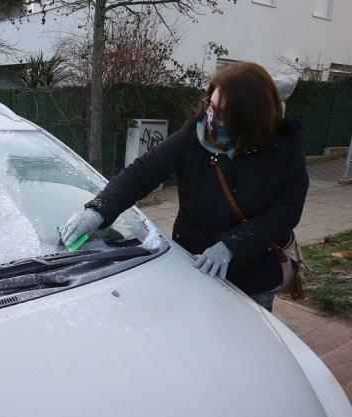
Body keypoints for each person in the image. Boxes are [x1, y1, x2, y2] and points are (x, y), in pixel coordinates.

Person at [59, 62, 309, 312]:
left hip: (252, 277)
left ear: (250, 117)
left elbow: (286, 212)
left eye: (225, 114)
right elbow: (143, 172)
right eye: (212, 105)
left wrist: (231, 247)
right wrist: (98, 211)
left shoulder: (283, 146)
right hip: (193, 265)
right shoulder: (196, 134)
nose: (214, 119)